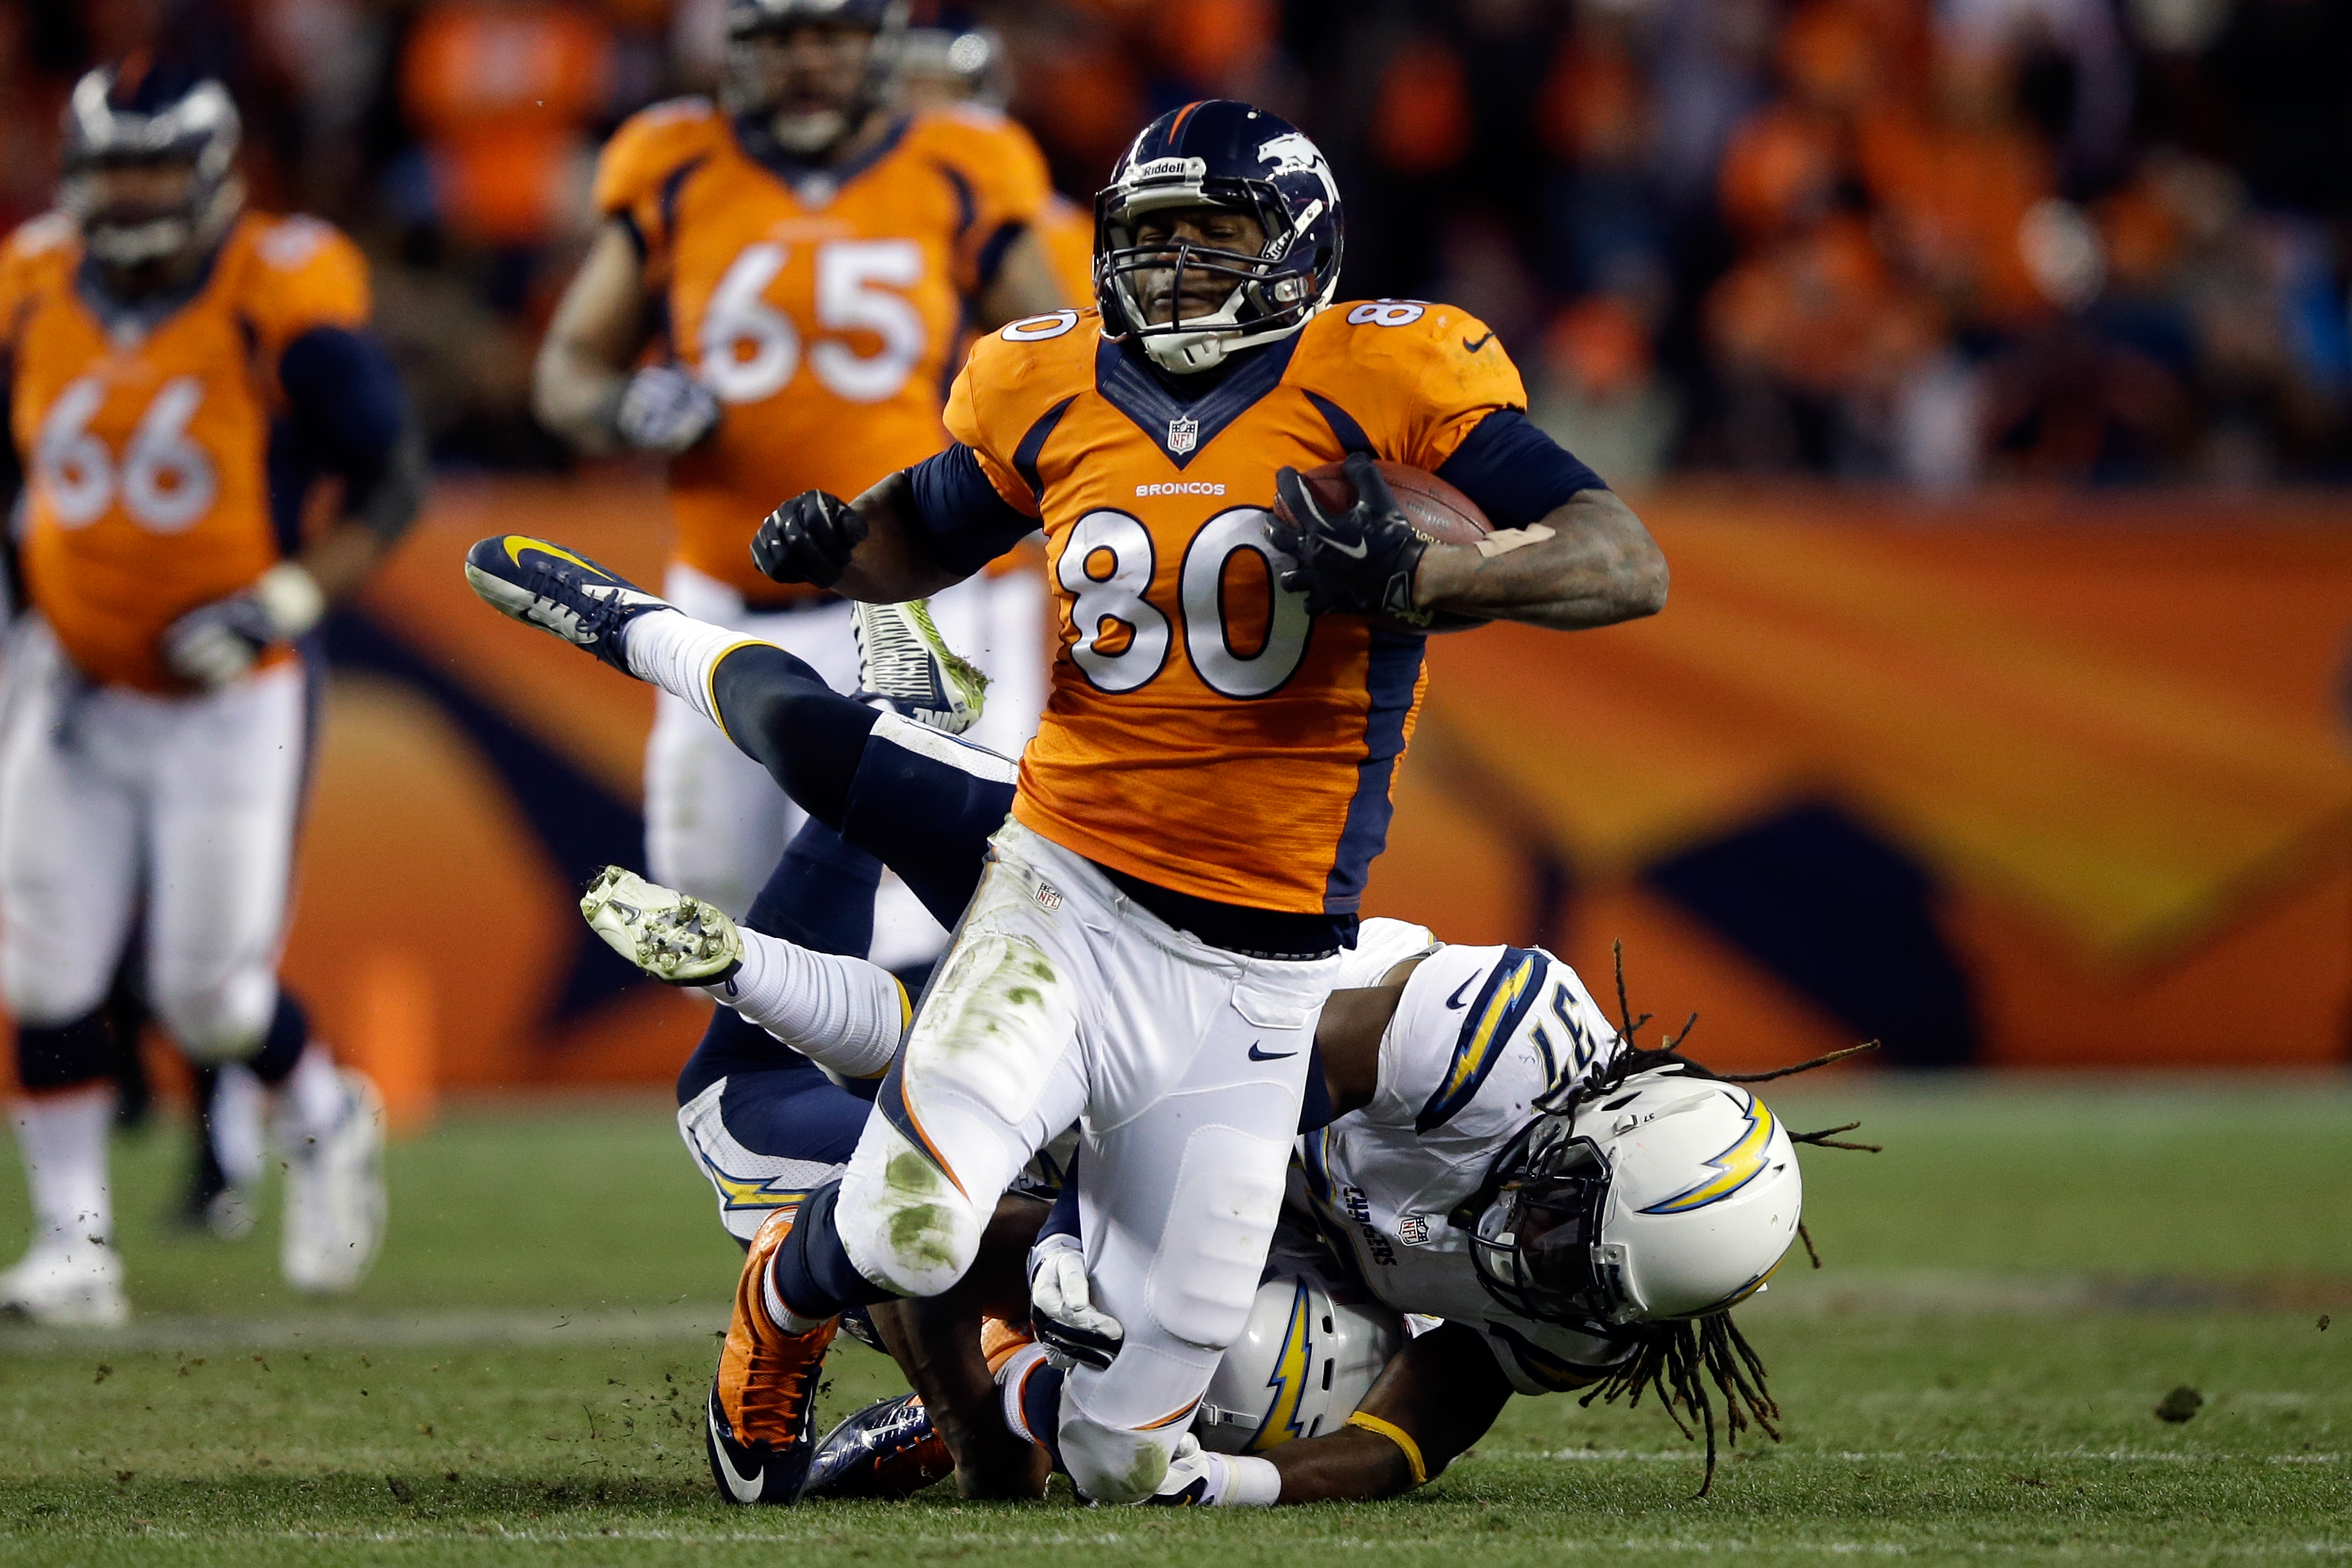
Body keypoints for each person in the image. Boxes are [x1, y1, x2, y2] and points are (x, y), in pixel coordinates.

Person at [468, 97, 1666, 1506]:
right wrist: (842, 546)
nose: (1172, 271)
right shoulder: (1046, 378)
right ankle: (777, 1314)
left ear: (1298, 242)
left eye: (1212, 237)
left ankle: (995, 1394)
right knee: (915, 1218)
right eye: (1149, 240)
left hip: (1260, 972)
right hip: (1065, 885)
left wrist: (1435, 579)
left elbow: (1619, 559)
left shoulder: (1396, 366)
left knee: (1120, 1452)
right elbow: (920, 530)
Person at [547, 616, 1822, 1507]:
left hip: (1268, 1225)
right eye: (1560, 1223)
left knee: (1136, 1370)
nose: (1533, 1259)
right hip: (1170, 980)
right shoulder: (1499, 1043)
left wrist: (1228, 1486)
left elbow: (1400, 1441)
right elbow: (1214, 1080)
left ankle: (1009, 1400)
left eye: (1571, 1275)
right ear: (1585, 1129)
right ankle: (810, 1251)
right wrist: (1077, 1251)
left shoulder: (1600, 1302)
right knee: (766, 1107)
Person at [0, 62, 421, 1325]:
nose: (130, 196)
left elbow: (391, 478)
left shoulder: (278, 285)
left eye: (151, 168)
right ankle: (74, 1249)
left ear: (210, 173)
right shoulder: (27, 286)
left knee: (209, 993)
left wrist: (282, 602)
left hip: (232, 692)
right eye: (111, 168)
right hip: (72, 676)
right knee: (46, 975)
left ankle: (322, 1109)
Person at [531, 0, 1067, 951]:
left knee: (923, 916)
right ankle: (780, 1100)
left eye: (831, 35)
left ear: (879, 45)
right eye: (779, 39)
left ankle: (911, 1104)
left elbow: (1066, 364)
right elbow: (568, 368)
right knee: (716, 915)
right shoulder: (677, 163)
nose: (806, 61)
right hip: (723, 605)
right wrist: (624, 407)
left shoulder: (959, 163)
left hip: (913, 607)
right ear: (736, 52)